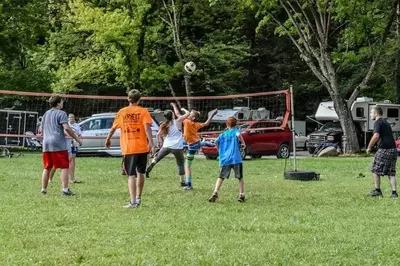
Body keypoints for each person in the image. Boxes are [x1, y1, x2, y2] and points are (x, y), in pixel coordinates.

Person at [105, 89, 155, 208]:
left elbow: (113, 128)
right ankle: (138, 198)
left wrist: (108, 139)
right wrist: (151, 144)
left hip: (129, 148)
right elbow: (147, 128)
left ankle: (133, 202)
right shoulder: (143, 111)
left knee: (131, 175)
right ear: (139, 99)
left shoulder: (122, 112)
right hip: (142, 147)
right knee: (141, 172)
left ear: (128, 99)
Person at [40, 95, 82, 196]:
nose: (63, 103)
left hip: (46, 143)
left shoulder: (46, 114)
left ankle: (43, 189)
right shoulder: (61, 113)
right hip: (58, 143)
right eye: (62, 101)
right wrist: (76, 138)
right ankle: (65, 189)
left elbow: (42, 129)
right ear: (58, 103)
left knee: (47, 167)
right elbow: (67, 128)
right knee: (64, 166)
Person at [145, 104, 190, 186]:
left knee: (157, 158)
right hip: (177, 147)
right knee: (180, 163)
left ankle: (151, 166)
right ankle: (182, 182)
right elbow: (188, 113)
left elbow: (158, 134)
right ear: (172, 115)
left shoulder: (164, 124)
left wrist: (159, 142)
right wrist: (183, 109)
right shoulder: (178, 121)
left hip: (166, 145)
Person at [208, 117, 246, 203]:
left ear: (226, 124)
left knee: (221, 177)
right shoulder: (236, 131)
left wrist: (219, 151)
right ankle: (241, 194)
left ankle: (215, 192)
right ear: (235, 124)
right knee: (239, 177)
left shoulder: (223, 134)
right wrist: (243, 143)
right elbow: (238, 135)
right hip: (236, 158)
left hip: (225, 159)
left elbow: (216, 142)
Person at [182, 107, 218, 190]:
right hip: (196, 143)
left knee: (187, 165)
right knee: (201, 144)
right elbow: (206, 123)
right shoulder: (195, 124)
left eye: (190, 114)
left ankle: (189, 184)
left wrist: (183, 110)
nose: (188, 115)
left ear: (193, 117)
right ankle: (212, 143)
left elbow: (184, 114)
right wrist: (212, 115)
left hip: (192, 146)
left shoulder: (187, 122)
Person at [366, 106, 398, 198]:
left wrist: (369, 147)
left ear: (376, 114)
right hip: (393, 149)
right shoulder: (386, 122)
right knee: (391, 172)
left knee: (375, 169)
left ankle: (377, 190)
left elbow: (376, 136)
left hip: (384, 149)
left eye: (371, 113)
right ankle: (394, 193)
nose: (371, 114)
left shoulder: (377, 122)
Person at [68, 113, 82, 183]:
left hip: (74, 144)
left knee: (72, 160)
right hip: (67, 144)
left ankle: (72, 177)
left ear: (74, 118)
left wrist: (78, 141)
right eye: (70, 118)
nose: (71, 119)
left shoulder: (77, 126)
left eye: (72, 118)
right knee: (68, 160)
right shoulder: (66, 125)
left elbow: (79, 135)